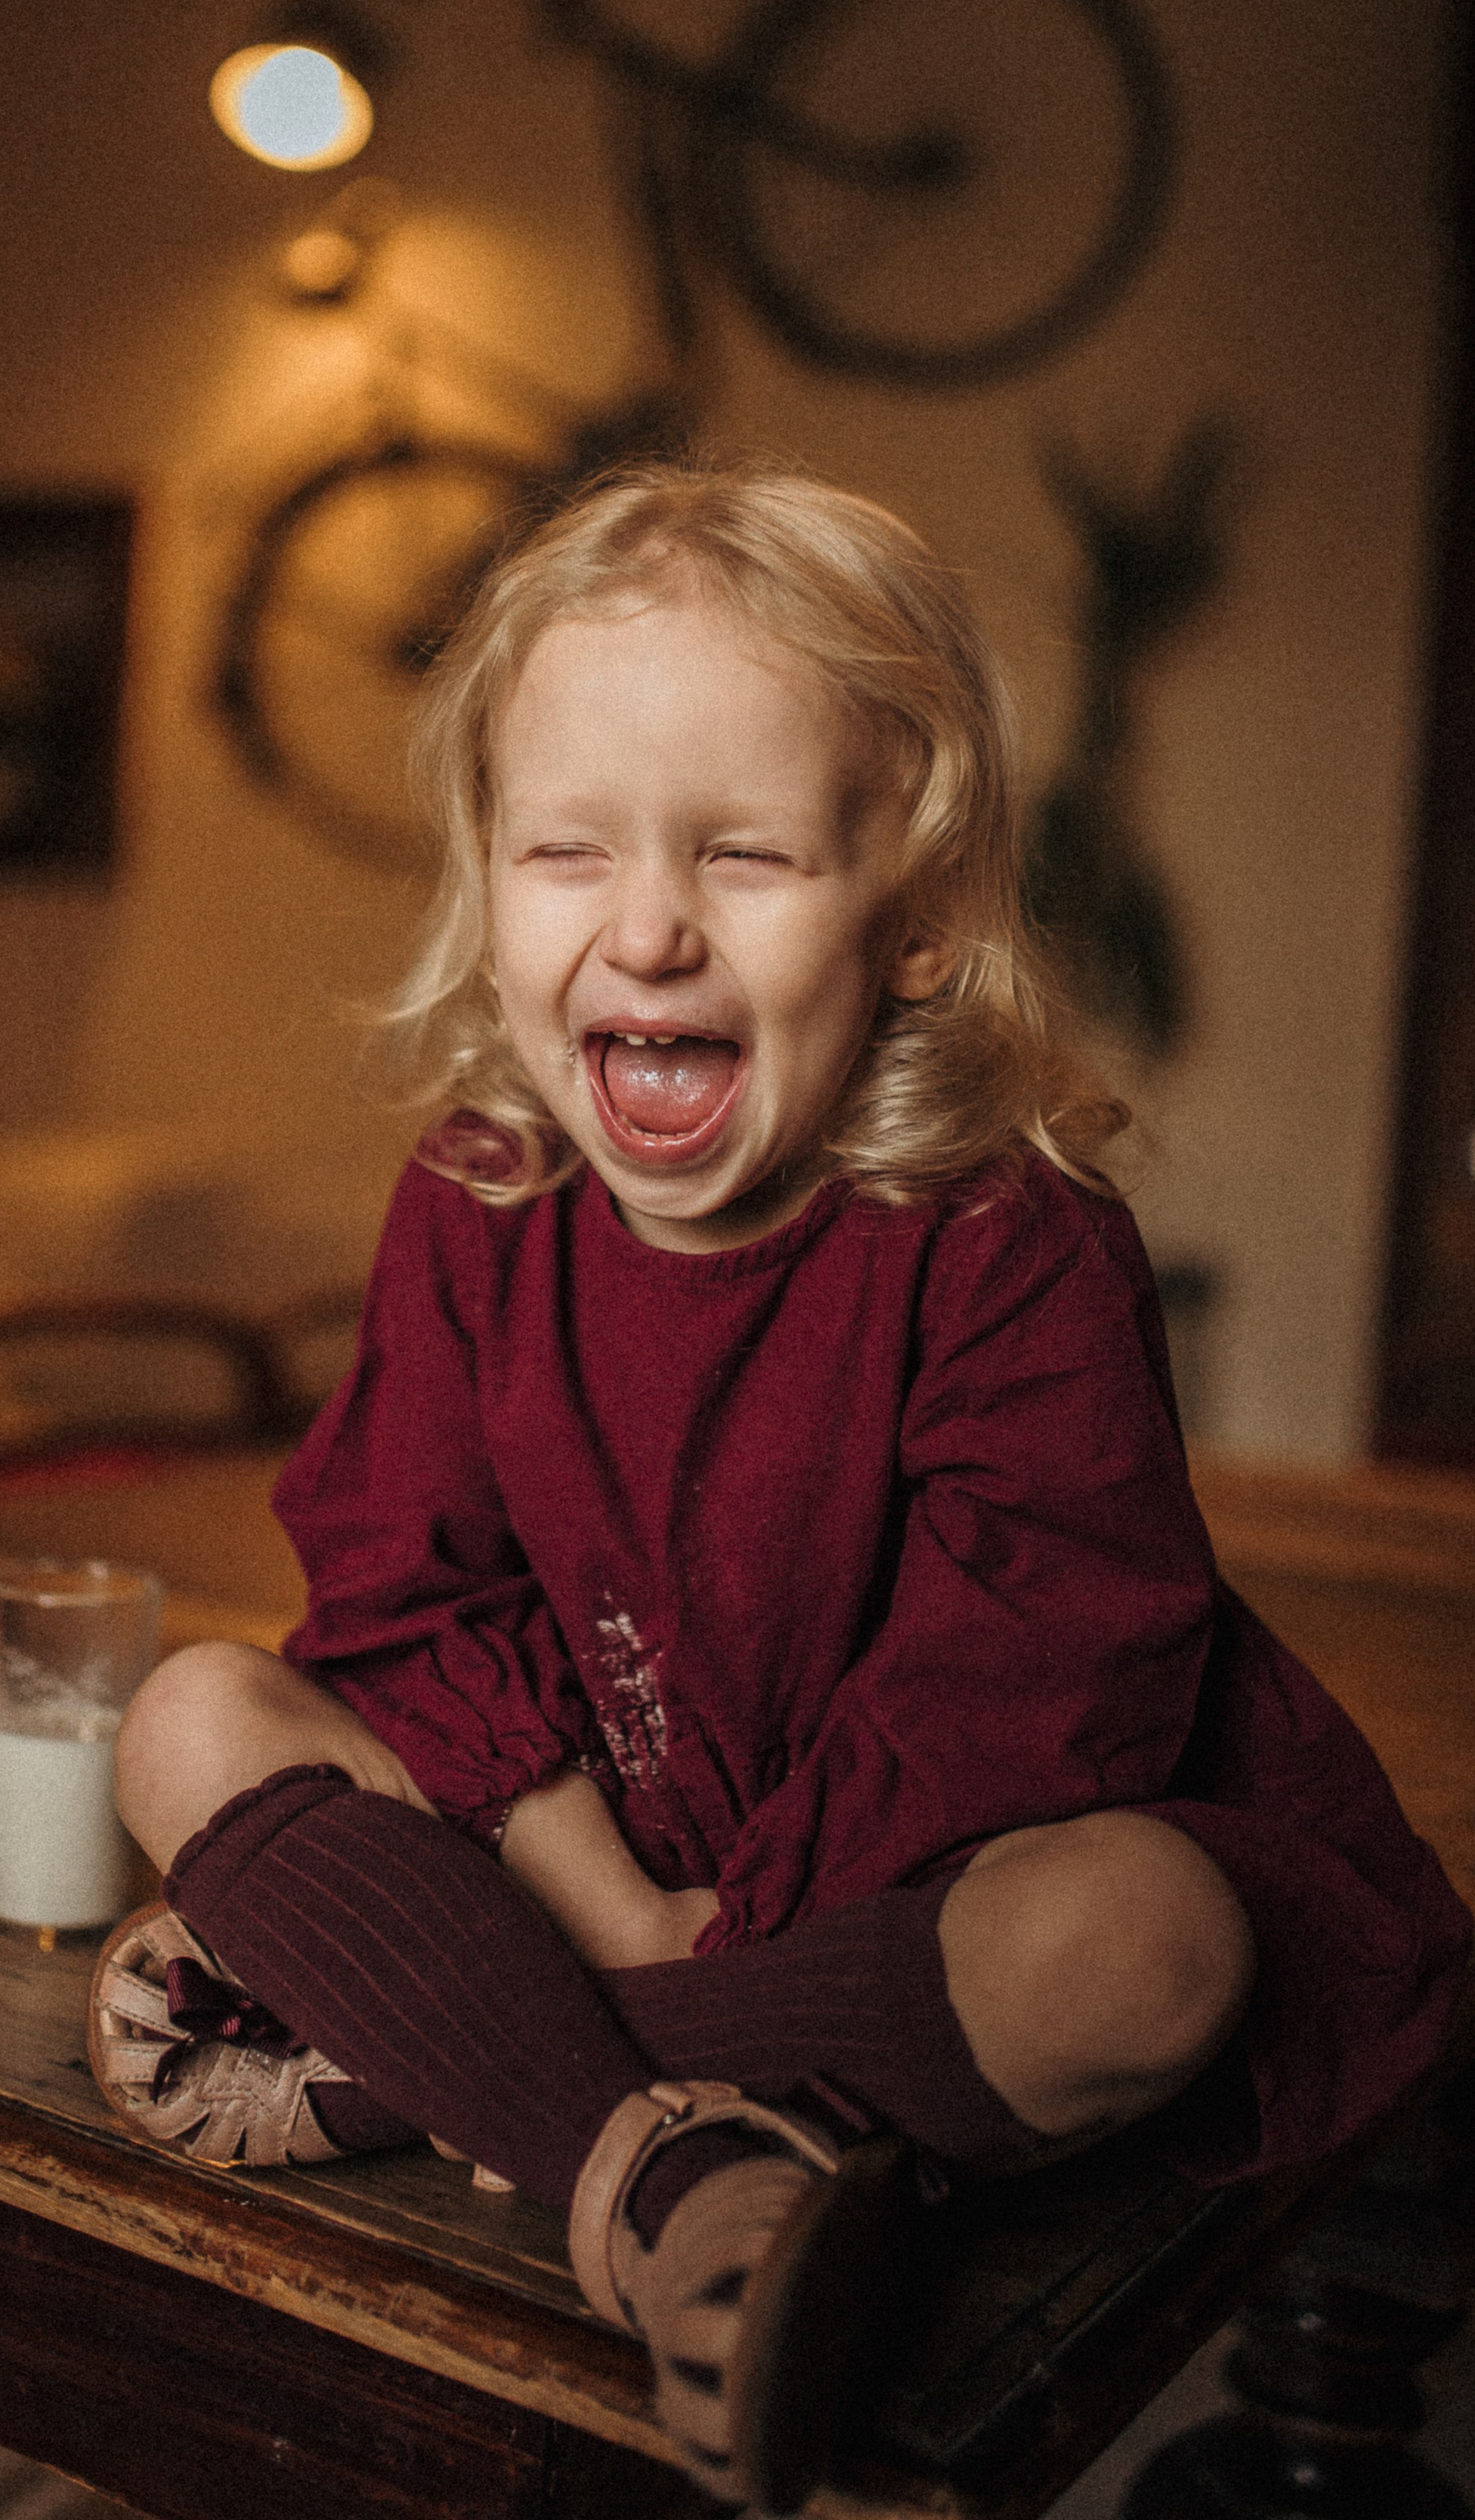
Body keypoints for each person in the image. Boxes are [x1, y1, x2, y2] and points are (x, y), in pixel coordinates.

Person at [95, 464, 1469, 2513]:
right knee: (189, 1710)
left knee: (1160, 1943)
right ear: (491, 882)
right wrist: (601, 1888)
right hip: (600, 1844)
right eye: (570, 851)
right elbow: (404, 1588)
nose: (646, 924)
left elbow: (1036, 1685)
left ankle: (460, 2063)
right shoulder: (480, 1202)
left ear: (913, 922)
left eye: (744, 855)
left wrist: (653, 1957)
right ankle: (689, 2173)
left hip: (918, 1882)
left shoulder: (1010, 1235)